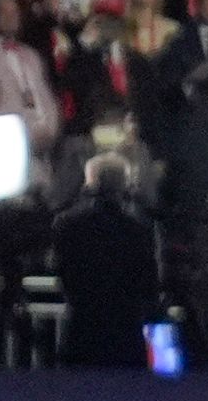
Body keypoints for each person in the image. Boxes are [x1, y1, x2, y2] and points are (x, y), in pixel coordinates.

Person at [50, 152, 167, 368]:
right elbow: (151, 280)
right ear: (127, 185)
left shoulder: (67, 225)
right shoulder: (140, 228)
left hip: (82, 328)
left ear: (89, 184)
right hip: (127, 330)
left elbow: (60, 269)